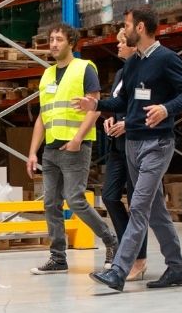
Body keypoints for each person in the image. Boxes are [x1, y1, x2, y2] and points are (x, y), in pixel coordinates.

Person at [75, 5, 182, 293]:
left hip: (157, 144)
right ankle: (176, 268)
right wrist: (97, 105)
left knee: (139, 206)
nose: (123, 30)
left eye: (127, 25)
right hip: (132, 144)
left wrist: (166, 109)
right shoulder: (132, 64)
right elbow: (124, 103)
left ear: (140, 28)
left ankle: (118, 270)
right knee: (155, 211)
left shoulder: (166, 59)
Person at [26, 23, 119, 275]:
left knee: (75, 199)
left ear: (71, 43)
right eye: (51, 39)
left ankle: (111, 241)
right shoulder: (47, 76)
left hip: (75, 147)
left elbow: (95, 106)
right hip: (52, 149)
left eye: (58, 39)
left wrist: (78, 138)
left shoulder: (84, 68)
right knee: (51, 203)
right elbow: (43, 117)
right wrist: (33, 151)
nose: (53, 44)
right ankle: (58, 257)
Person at [102, 29, 149, 282]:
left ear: (134, 45)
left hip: (136, 143)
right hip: (117, 147)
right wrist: (109, 119)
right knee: (109, 197)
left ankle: (137, 260)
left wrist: (129, 124)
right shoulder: (121, 73)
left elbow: (147, 107)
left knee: (136, 205)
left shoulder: (144, 72)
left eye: (122, 41)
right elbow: (116, 104)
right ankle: (126, 250)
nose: (117, 45)